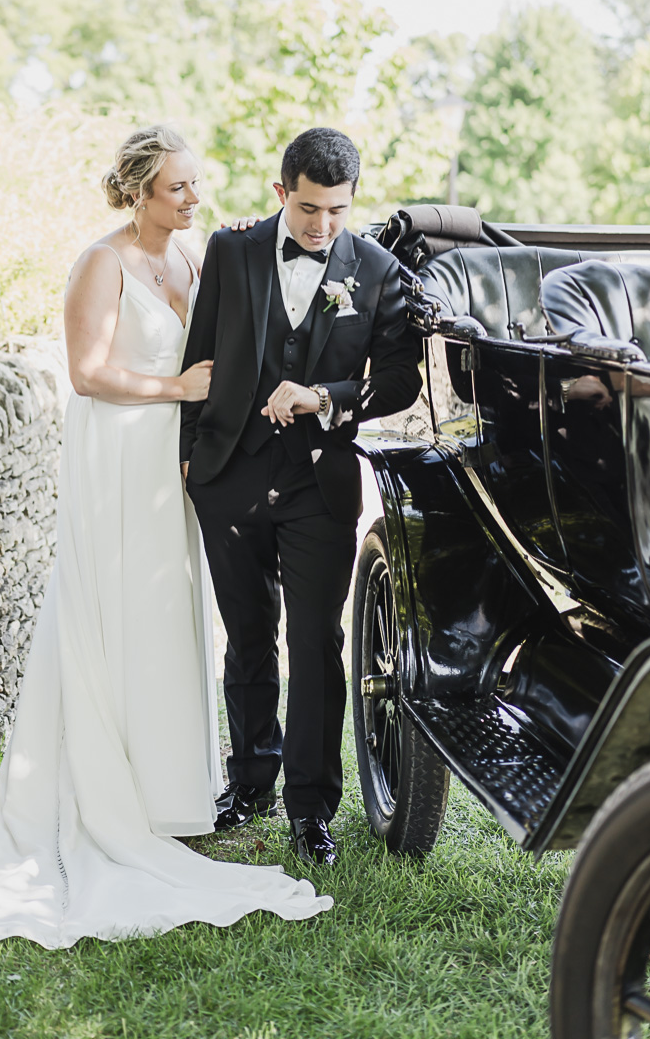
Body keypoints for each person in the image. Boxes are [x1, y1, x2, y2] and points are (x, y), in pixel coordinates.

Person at [0, 126, 332, 950]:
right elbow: (88, 372)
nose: (192, 199)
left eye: (195, 187)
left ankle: (166, 793)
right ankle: (105, 792)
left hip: (175, 461)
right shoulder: (100, 263)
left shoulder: (199, 257)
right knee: (115, 608)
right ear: (138, 192)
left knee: (167, 616)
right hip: (118, 453)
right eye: (177, 189)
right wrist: (175, 387)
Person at [181, 127, 422, 867]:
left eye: (337, 212)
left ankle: (311, 809)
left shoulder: (378, 273)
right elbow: (201, 353)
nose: (322, 226)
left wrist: (323, 395)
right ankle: (250, 780)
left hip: (320, 481)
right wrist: (193, 454)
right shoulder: (232, 249)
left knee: (316, 644)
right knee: (247, 635)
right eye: (310, 208)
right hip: (230, 473)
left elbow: (398, 382)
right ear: (281, 193)